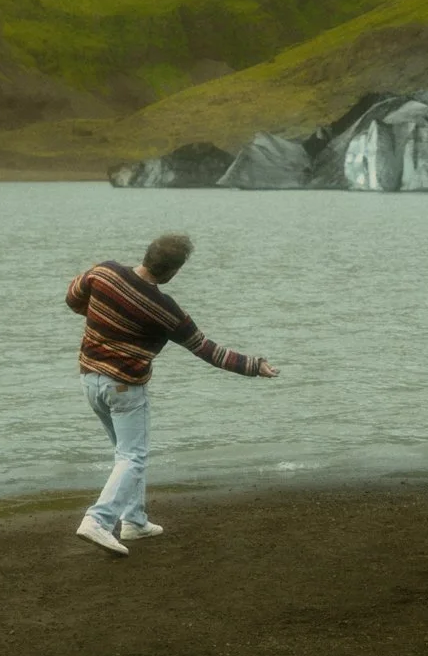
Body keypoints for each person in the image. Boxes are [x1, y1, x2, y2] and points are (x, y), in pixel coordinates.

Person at [67, 232, 278, 555]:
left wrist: (105, 318)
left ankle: (134, 522)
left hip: (89, 380)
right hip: (124, 387)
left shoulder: (104, 272)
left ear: (147, 253)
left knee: (125, 454)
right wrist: (254, 365)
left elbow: (73, 298)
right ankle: (98, 520)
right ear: (172, 272)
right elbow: (207, 350)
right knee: (132, 457)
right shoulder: (166, 310)